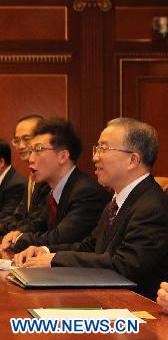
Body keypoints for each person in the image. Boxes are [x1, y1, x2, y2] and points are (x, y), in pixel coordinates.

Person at [15, 118, 168, 300]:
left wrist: (56, 260)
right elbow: (91, 246)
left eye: (104, 148)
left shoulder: (151, 206)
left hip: (137, 311)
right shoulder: (117, 200)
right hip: (109, 299)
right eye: (97, 149)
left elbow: (125, 265)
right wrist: (46, 252)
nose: (95, 157)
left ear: (133, 160)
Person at [0, 118, 109, 252]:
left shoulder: (86, 192)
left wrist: (22, 239)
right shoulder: (55, 191)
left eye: (38, 150)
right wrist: (17, 234)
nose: (31, 159)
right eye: (31, 151)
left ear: (63, 156)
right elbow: (38, 225)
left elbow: (61, 237)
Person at [0, 115, 51, 236]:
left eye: (26, 139)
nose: (20, 146)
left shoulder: (47, 179)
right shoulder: (32, 178)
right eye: (16, 140)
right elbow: (19, 217)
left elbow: (36, 224)